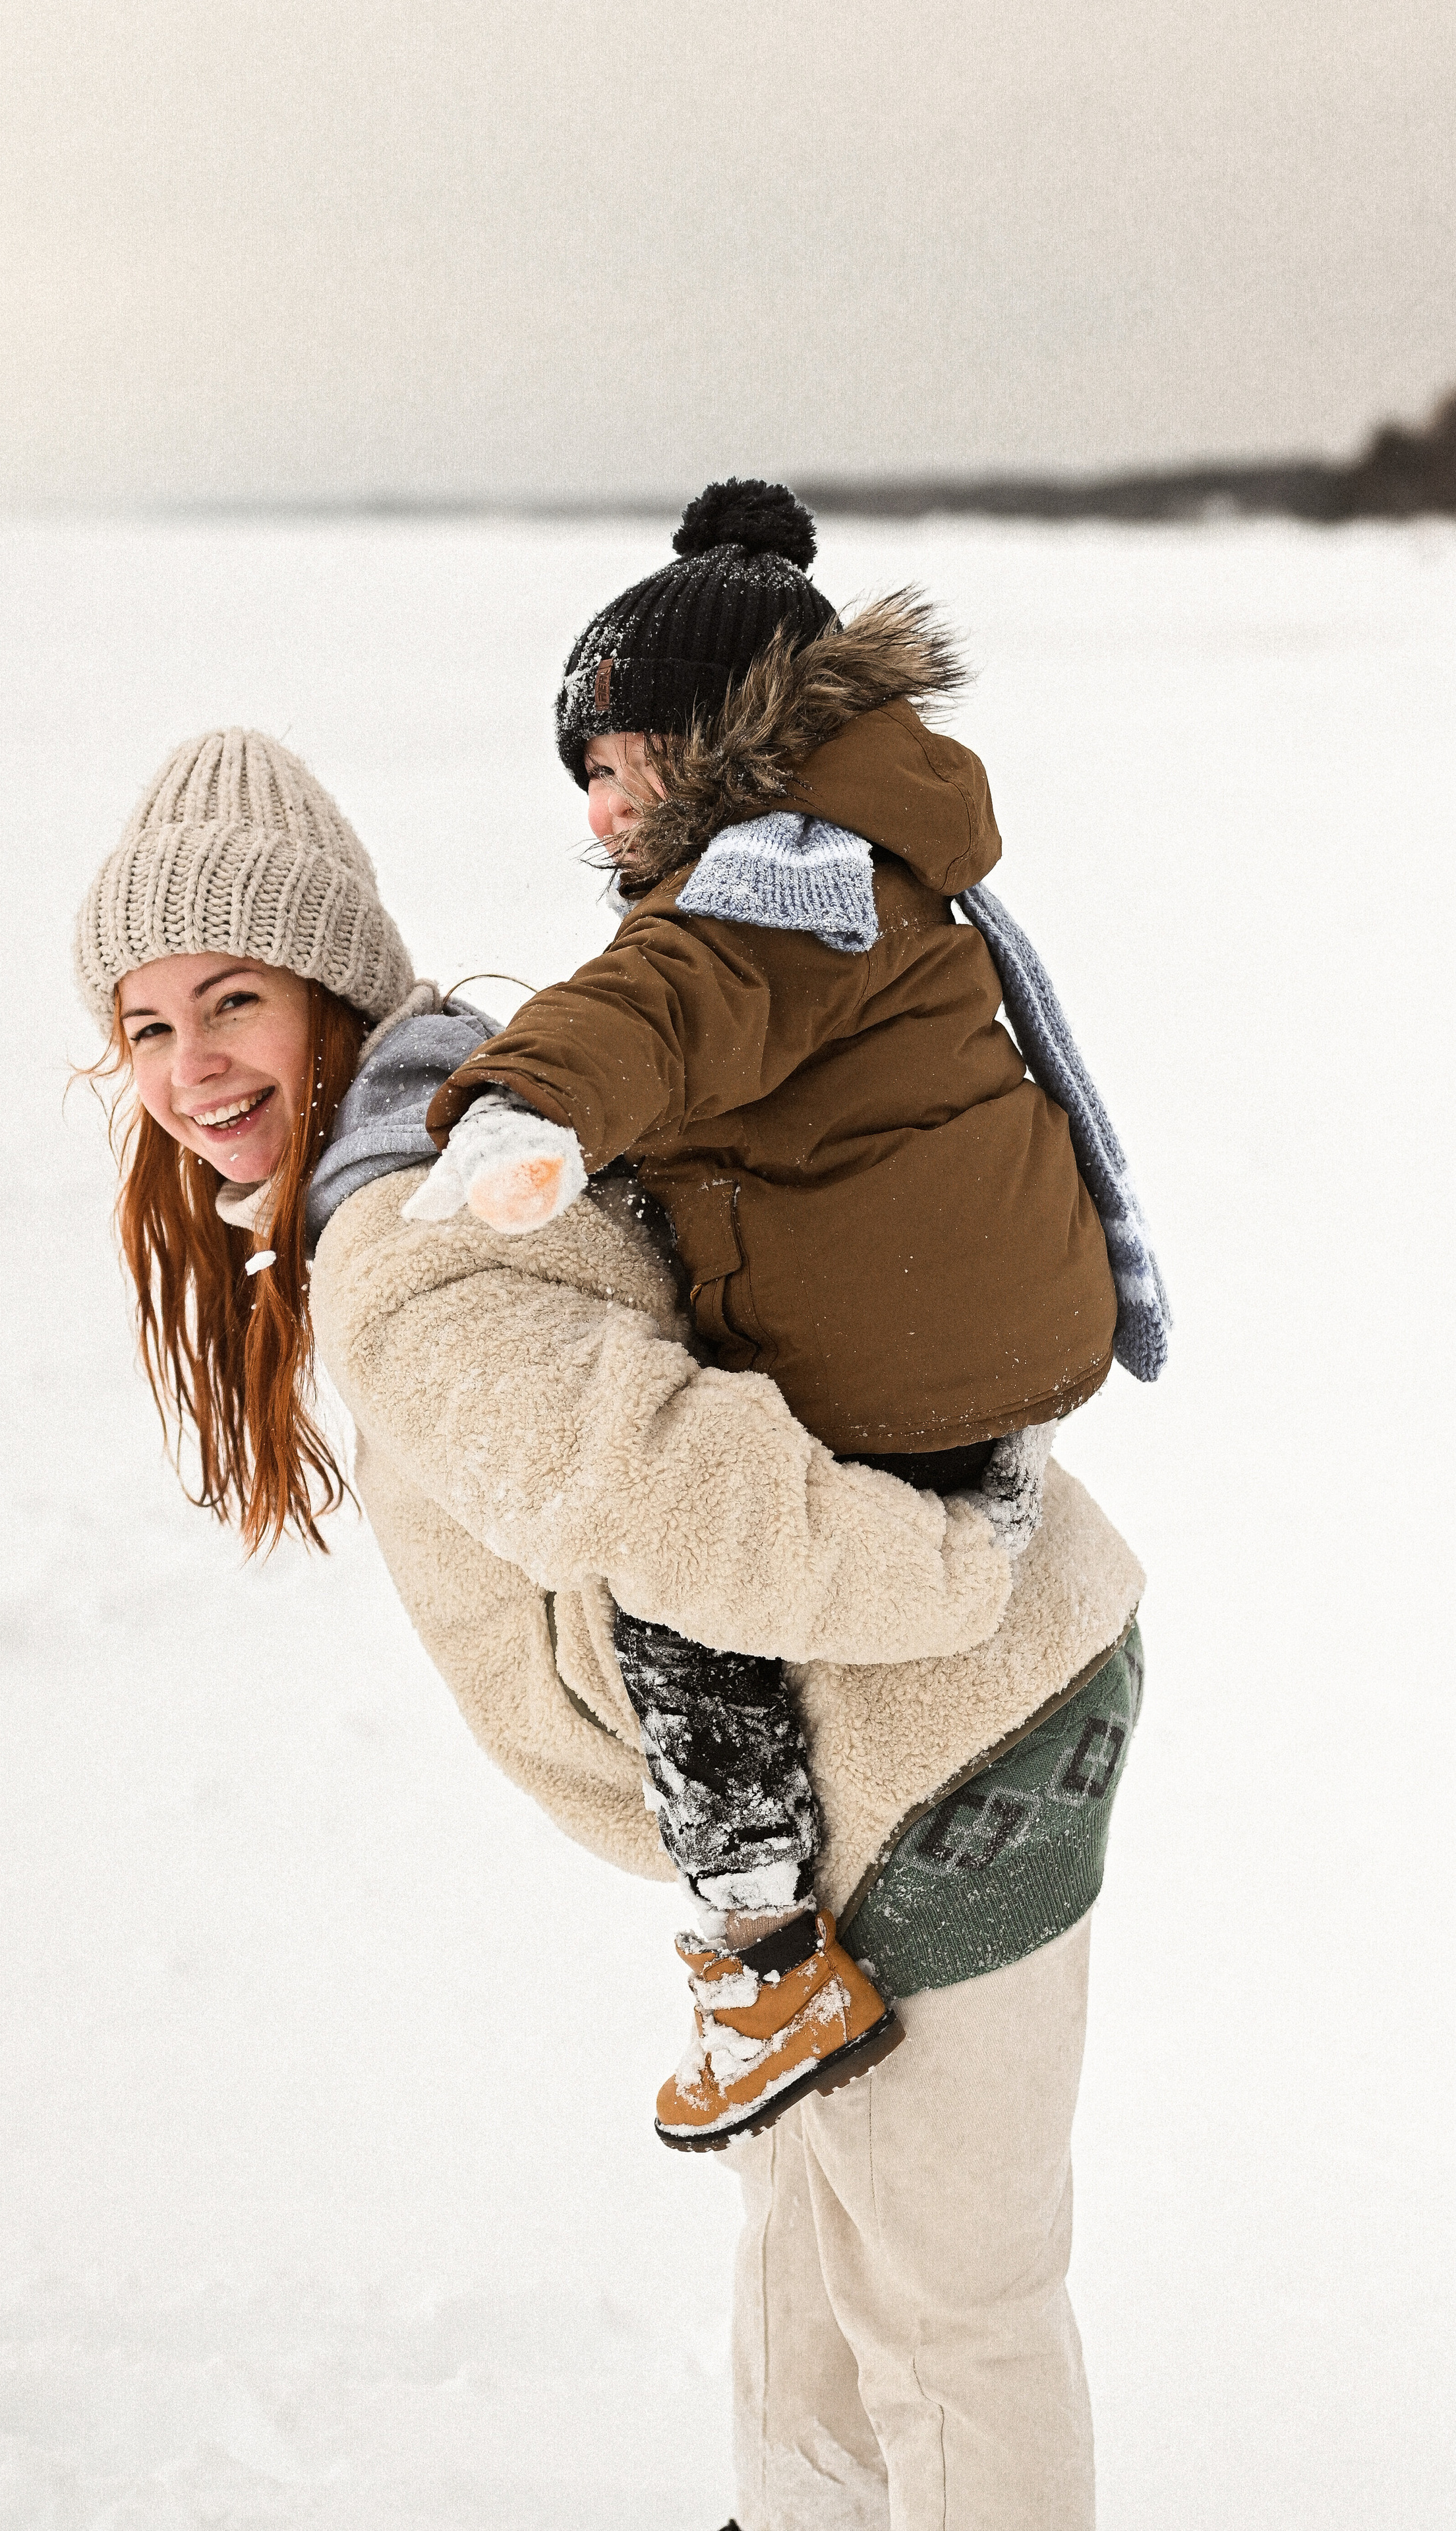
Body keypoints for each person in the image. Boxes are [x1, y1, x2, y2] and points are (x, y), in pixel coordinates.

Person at [74, 723, 1146, 2530]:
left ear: (327, 983)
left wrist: (953, 1575)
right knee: (816, 2260)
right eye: (151, 1025)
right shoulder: (453, 1120)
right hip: (843, 1782)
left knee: (948, 2316)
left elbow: (686, 1492)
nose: (193, 1071)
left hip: (950, 1732)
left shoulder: (405, 1251)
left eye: (233, 1000)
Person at [409, 479, 1165, 2149]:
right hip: (1005, 1334)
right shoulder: (880, 851)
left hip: (899, 1368)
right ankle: (982, 1479)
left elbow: (675, 1001)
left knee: (679, 1579)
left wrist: (529, 1100)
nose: (597, 814)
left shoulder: (784, 881)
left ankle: (761, 1954)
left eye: (608, 769)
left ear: (701, 743)